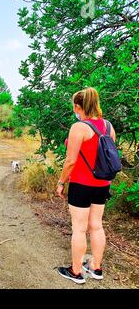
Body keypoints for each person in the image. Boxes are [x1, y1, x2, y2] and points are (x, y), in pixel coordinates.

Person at [56, 87, 116, 284]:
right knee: (97, 226)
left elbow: (70, 161)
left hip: (82, 184)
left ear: (77, 106)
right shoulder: (108, 126)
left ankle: (75, 271)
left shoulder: (79, 128)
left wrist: (61, 182)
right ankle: (95, 268)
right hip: (102, 184)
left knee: (79, 229)